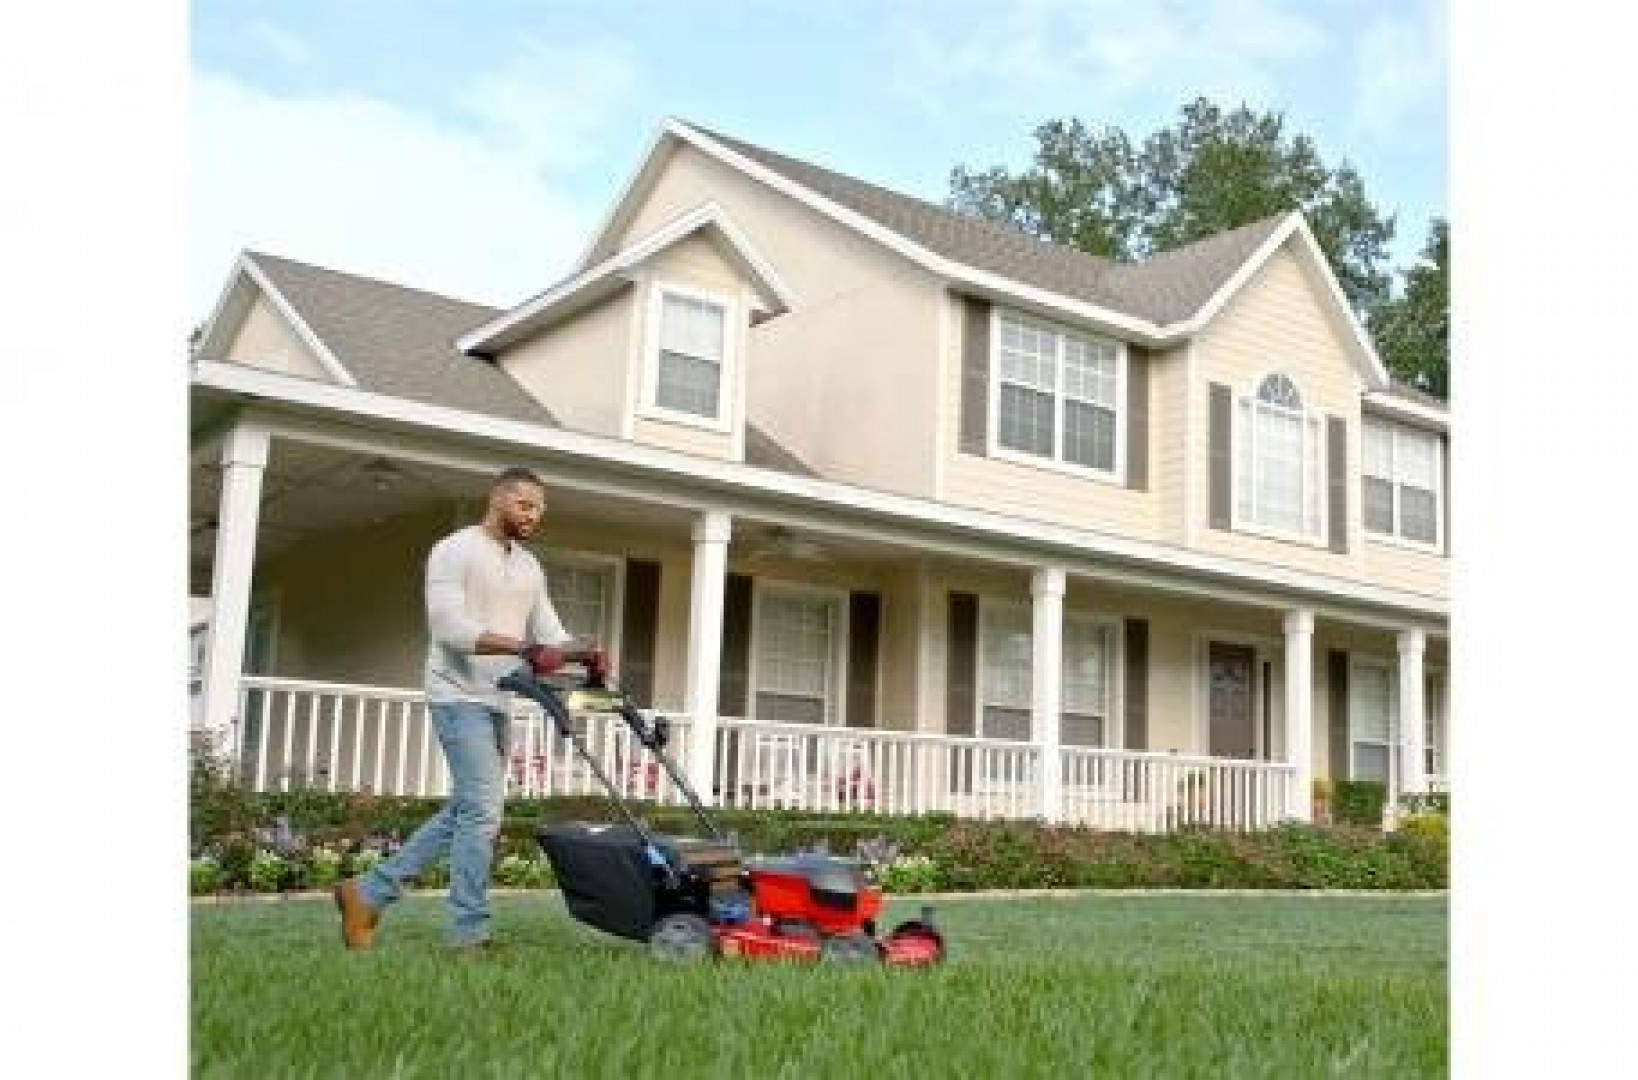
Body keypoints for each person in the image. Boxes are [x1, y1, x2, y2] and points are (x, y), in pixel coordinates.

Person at [333, 466, 599, 954]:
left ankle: (367, 894)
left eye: (540, 508)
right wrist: (524, 649)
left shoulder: (529, 567)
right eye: (525, 505)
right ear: (497, 500)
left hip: (499, 696)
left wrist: (584, 650)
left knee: (468, 809)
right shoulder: (455, 550)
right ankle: (468, 934)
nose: (534, 515)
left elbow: (549, 631)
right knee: (482, 813)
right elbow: (449, 627)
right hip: (456, 693)